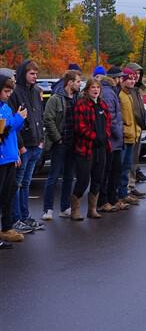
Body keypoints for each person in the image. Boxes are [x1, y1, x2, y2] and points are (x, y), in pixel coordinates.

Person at [9, 60, 45, 233]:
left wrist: (41, 139)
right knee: (17, 184)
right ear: (24, 73)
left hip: (35, 144)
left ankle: (25, 216)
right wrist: (20, 145)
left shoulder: (36, 92)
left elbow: (39, 116)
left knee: (26, 183)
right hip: (23, 147)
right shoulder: (15, 93)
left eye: (36, 74)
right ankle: (15, 218)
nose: (35, 76)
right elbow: (13, 123)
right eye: (32, 73)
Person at [42, 69, 82, 220]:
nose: (79, 84)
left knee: (69, 177)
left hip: (73, 143)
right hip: (60, 143)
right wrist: (58, 139)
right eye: (78, 81)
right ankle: (48, 209)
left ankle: (65, 207)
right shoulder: (56, 99)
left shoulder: (78, 98)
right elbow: (48, 120)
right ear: (70, 82)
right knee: (53, 176)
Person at [71, 79, 111, 221]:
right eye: (92, 87)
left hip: (101, 148)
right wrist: (94, 136)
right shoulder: (81, 105)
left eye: (98, 87)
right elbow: (80, 127)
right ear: (87, 90)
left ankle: (92, 209)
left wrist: (105, 135)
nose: (95, 90)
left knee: (98, 179)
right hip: (85, 149)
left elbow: (108, 123)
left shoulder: (102, 105)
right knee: (83, 180)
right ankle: (75, 210)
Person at [0, 76, 28, 246]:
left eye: (10, 91)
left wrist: (16, 153)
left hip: (9, 157)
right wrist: (17, 118)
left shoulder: (6, 107)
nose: (8, 95)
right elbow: (2, 129)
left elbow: (12, 133)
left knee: (8, 194)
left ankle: (7, 227)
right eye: (5, 91)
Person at [97, 68, 126, 212]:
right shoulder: (108, 92)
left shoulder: (112, 91)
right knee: (107, 171)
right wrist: (119, 135)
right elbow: (111, 117)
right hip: (111, 140)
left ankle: (113, 198)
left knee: (115, 170)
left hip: (115, 140)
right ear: (115, 78)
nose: (122, 80)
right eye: (121, 77)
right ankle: (103, 201)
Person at [118, 69, 143, 207]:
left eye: (134, 79)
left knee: (127, 167)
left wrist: (137, 130)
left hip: (132, 136)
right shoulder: (121, 95)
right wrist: (124, 130)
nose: (133, 81)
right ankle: (119, 195)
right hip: (124, 137)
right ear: (123, 80)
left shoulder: (130, 95)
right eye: (130, 79)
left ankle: (124, 194)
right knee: (121, 168)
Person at [125, 62, 146, 189]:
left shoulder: (137, 89)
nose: (137, 76)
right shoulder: (128, 91)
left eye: (139, 74)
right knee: (129, 161)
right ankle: (128, 187)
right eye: (135, 73)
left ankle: (132, 185)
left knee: (134, 159)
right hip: (130, 129)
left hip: (138, 129)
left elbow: (140, 109)